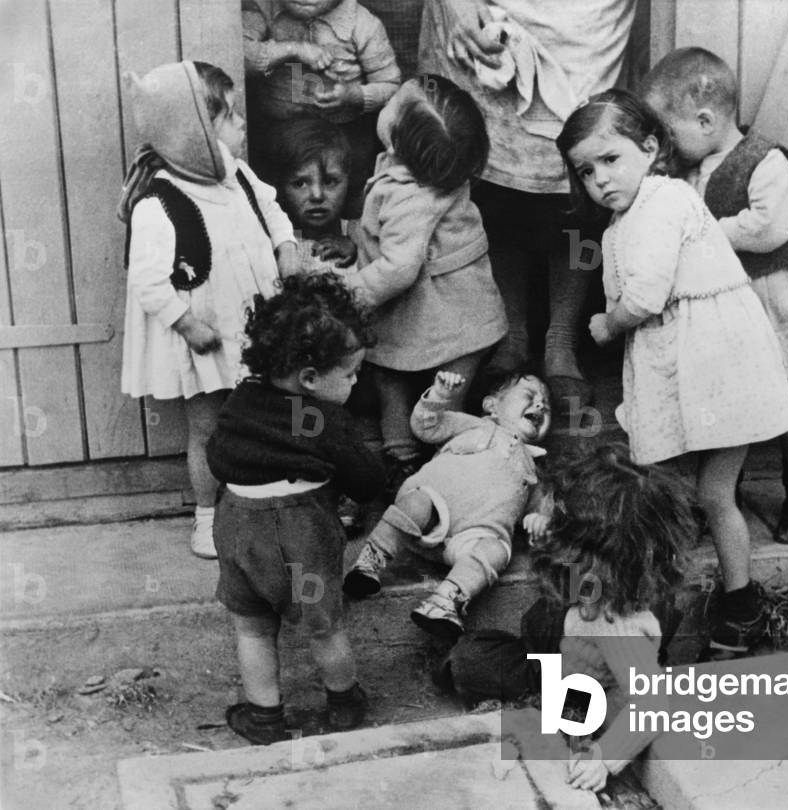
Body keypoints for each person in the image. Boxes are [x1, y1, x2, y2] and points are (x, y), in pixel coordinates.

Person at [558, 91, 788, 660]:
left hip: (716, 361)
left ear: (649, 148)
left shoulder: (665, 199)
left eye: (610, 159)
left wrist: (607, 325)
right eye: (586, 171)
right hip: (689, 358)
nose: (600, 179)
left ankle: (735, 606)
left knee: (704, 491)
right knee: (683, 491)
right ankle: (655, 617)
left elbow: (643, 297)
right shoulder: (622, 222)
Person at [641, 48, 788, 546]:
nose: (667, 145)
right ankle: (722, 496)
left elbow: (768, 228)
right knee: (726, 405)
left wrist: (701, 231)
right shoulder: (689, 170)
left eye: (670, 132)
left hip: (773, 301)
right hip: (725, 312)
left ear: (704, 120)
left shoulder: (769, 162)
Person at [418, 0, 638, 411]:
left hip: (583, 21)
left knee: (577, 180)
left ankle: (562, 339)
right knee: (495, 182)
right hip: (488, 11)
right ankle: (512, 332)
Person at [118, 60, 299, 560]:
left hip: (255, 329)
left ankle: (267, 500)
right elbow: (147, 279)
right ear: (193, 134)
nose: (241, 125)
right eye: (229, 117)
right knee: (208, 428)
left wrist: (286, 247)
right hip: (205, 338)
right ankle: (206, 515)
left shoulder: (237, 175)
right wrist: (186, 324)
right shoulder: (159, 202)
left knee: (265, 413)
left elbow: (272, 209)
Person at [438, 444, 694, 792]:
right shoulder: (599, 582)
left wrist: (604, 759)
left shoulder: (617, 623)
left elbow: (652, 705)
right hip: (575, 680)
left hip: (592, 700)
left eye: (562, 523)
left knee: (484, 673)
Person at [206, 273, 385, 745]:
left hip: (239, 532)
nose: (355, 382)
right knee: (324, 626)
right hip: (301, 534)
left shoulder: (242, 399)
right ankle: (344, 703)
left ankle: (264, 718)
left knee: (252, 630)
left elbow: (217, 457)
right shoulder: (320, 419)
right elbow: (367, 480)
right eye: (350, 374)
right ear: (310, 379)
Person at [347, 74, 508, 490]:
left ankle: (404, 459)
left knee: (392, 382)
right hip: (465, 310)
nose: (388, 100)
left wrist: (348, 294)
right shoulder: (441, 170)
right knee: (449, 393)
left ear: (397, 143)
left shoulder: (408, 196)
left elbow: (399, 266)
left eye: (393, 104)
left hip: (426, 311)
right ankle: (451, 459)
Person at [343, 369, 551, 641]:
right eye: (530, 396)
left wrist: (539, 520)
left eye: (546, 405)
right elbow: (426, 427)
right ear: (491, 405)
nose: (540, 405)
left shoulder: (534, 469)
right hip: (431, 513)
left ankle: (447, 599)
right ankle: (370, 562)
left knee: (497, 550)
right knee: (416, 502)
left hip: (473, 537)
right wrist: (438, 396)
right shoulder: (475, 425)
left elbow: (542, 507)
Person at [242, 0, 401, 216]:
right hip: (280, 133)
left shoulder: (363, 24)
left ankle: (349, 231)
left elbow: (391, 86)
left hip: (346, 134)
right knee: (274, 198)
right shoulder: (263, 11)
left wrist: (355, 95)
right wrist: (293, 49)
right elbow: (240, 55)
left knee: (353, 196)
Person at [263, 117, 358, 274]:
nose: (317, 196)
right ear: (280, 186)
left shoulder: (361, 233)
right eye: (300, 184)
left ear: (348, 179)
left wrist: (360, 248)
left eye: (329, 181)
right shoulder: (275, 245)